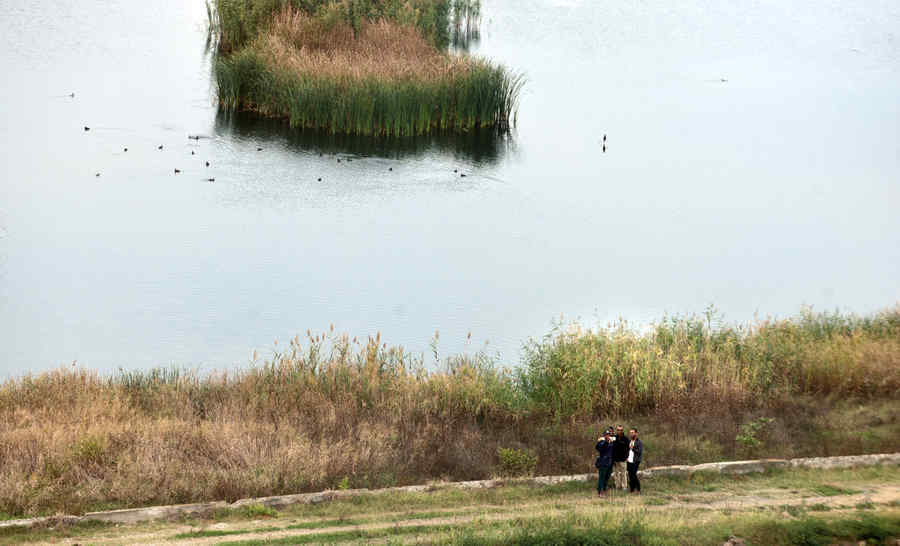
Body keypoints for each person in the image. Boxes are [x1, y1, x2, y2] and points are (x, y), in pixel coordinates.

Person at [595, 427, 615, 496]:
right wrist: (604, 441)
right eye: (606, 435)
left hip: (609, 462)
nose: (607, 436)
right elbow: (599, 448)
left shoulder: (611, 442)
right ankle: (600, 492)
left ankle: (604, 489)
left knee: (607, 477)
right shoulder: (601, 442)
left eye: (608, 434)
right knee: (602, 478)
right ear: (604, 435)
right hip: (603, 462)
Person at [612, 424, 629, 490]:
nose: (619, 431)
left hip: (623, 459)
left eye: (621, 430)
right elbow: (611, 447)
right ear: (617, 430)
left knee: (623, 473)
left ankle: (624, 486)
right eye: (618, 430)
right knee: (616, 473)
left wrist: (627, 457)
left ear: (622, 430)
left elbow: (628, 449)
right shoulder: (614, 438)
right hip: (615, 459)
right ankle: (617, 486)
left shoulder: (625, 439)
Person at [627, 428, 643, 494]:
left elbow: (639, 452)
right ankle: (632, 489)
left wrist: (632, 448)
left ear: (636, 433)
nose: (631, 434)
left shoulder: (639, 442)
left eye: (632, 432)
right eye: (630, 433)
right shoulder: (629, 441)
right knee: (630, 475)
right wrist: (626, 457)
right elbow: (627, 450)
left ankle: (638, 489)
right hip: (629, 461)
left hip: (636, 461)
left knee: (633, 475)